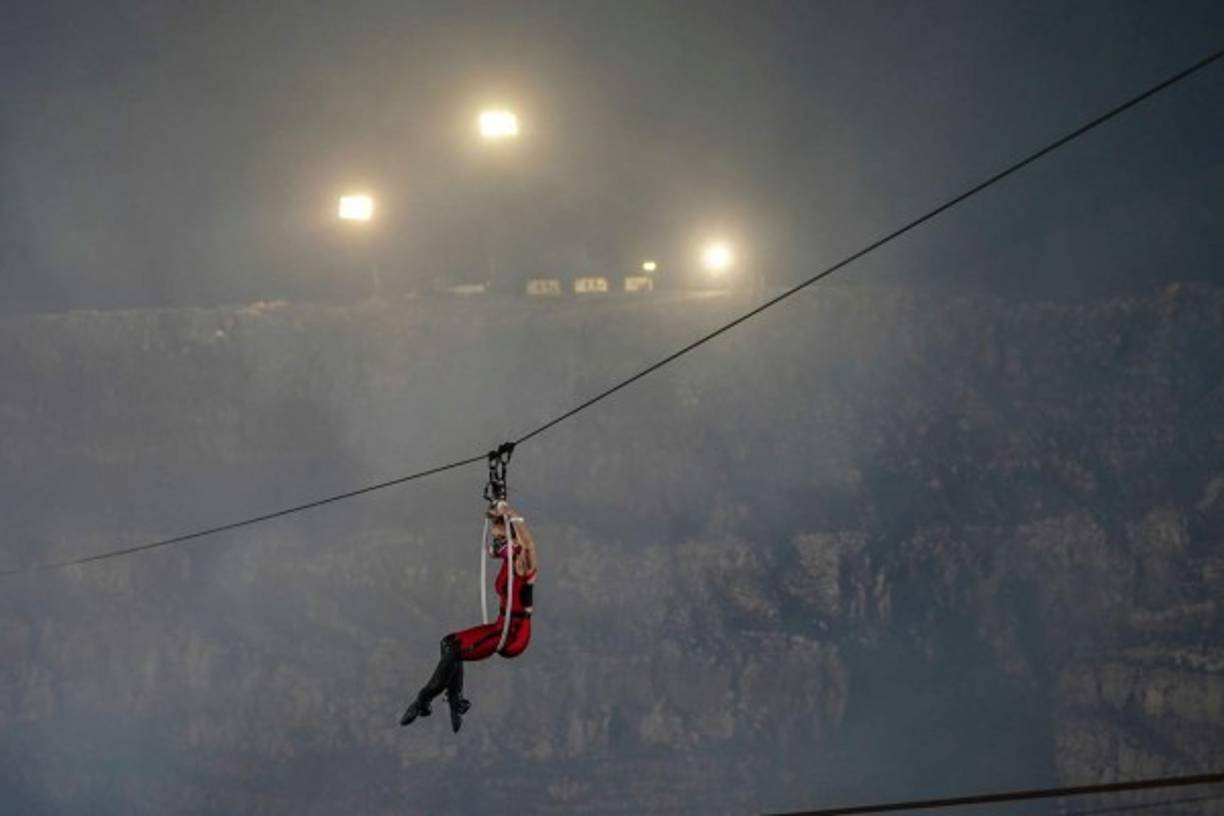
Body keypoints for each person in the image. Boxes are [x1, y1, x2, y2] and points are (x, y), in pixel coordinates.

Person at [400, 500, 537, 733]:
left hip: (513, 634)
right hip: (501, 625)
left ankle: (423, 699)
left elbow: (529, 544)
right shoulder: (507, 558)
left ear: (512, 539)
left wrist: (511, 514)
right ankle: (456, 700)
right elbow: (493, 549)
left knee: (455, 652)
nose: (497, 544)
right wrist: (495, 513)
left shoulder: (523, 563)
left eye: (501, 539)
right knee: (448, 643)